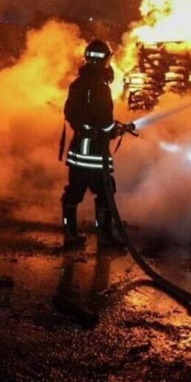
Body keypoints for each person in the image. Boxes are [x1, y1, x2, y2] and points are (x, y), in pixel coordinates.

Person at [60, 39, 125, 249]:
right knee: (106, 192)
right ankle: (103, 235)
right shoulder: (101, 87)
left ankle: (70, 234)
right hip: (95, 155)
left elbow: (70, 113)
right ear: (106, 59)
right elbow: (105, 122)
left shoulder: (77, 84)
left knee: (73, 193)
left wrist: (88, 127)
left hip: (78, 151)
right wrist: (114, 130)